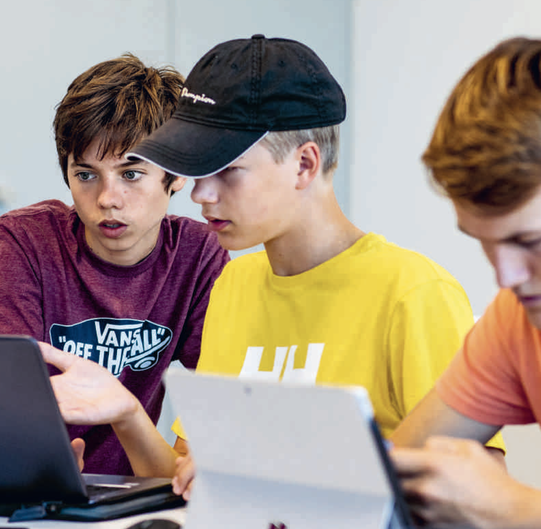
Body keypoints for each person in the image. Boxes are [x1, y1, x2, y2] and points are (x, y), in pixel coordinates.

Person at [123, 34, 504, 499]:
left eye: (227, 170)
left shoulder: (413, 290)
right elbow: (190, 476)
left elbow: (482, 486)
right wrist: (125, 412)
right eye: (198, 170)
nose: (201, 193)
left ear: (304, 164)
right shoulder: (233, 283)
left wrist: (273, 468)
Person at [388, 34, 541, 528]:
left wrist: (511, 510)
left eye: (530, 241)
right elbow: (397, 473)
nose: (506, 276)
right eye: (485, 242)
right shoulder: (519, 316)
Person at [0, 54, 229, 476]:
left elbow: (216, 429)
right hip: (27, 481)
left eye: (131, 174)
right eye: (86, 175)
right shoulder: (25, 240)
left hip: (133, 495)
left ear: (177, 173)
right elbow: (4, 399)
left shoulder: (199, 255)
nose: (108, 199)